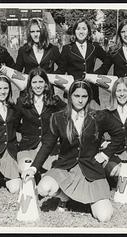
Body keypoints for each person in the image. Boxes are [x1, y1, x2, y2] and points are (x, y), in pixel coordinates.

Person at [22, 81, 113, 222]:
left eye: (84, 96)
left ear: (89, 97)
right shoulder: (58, 117)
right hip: (66, 167)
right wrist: (34, 168)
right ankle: (64, 197)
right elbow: (47, 145)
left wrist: (106, 153)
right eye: (77, 95)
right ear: (70, 96)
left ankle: (88, 199)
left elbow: (119, 134)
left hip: (90, 169)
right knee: (43, 188)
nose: (80, 100)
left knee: (104, 216)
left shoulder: (99, 116)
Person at [94, 78, 127, 197]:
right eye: (118, 91)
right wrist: (103, 143)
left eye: (125, 90)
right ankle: (117, 180)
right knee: (113, 170)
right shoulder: (106, 114)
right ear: (114, 93)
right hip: (115, 154)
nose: (122, 94)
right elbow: (96, 134)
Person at [16, 67, 66, 177]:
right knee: (26, 168)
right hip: (28, 146)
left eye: (40, 81)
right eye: (34, 82)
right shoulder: (22, 101)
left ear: (46, 84)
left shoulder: (55, 101)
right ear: (29, 84)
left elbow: (70, 113)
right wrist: (26, 131)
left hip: (49, 149)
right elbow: (14, 124)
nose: (38, 85)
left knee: (52, 172)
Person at [56, 18, 106, 106]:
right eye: (78, 29)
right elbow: (61, 70)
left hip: (91, 92)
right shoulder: (67, 49)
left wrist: (98, 74)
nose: (81, 32)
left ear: (88, 31)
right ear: (74, 31)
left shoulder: (95, 47)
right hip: (72, 91)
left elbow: (107, 60)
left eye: (84, 29)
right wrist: (46, 76)